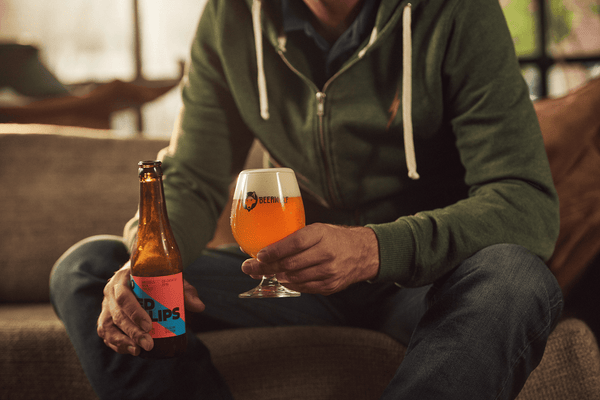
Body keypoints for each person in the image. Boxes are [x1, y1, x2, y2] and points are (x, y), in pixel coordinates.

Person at [50, 0, 564, 398]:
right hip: (290, 278)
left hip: (421, 281)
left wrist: (372, 249)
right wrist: (147, 266)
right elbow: (191, 180)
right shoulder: (233, 15)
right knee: (90, 269)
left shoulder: (458, 12)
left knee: (514, 278)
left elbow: (525, 202)